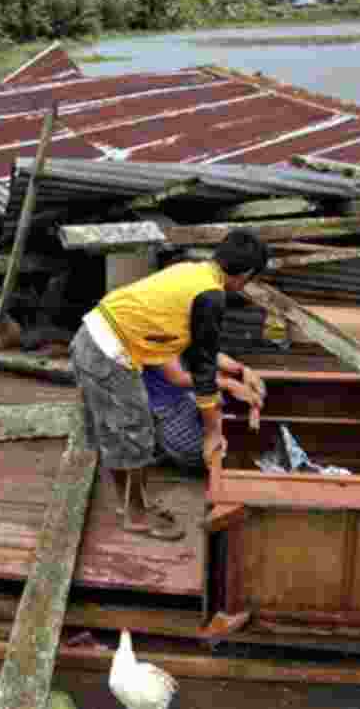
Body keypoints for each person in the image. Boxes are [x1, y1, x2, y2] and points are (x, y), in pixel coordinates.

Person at [69, 229, 269, 541]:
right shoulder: (210, 296)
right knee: (136, 436)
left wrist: (239, 372)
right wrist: (213, 432)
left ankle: (131, 505)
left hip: (94, 337)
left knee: (121, 432)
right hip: (108, 350)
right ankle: (136, 517)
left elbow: (200, 348)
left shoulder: (193, 272)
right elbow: (202, 370)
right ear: (245, 274)